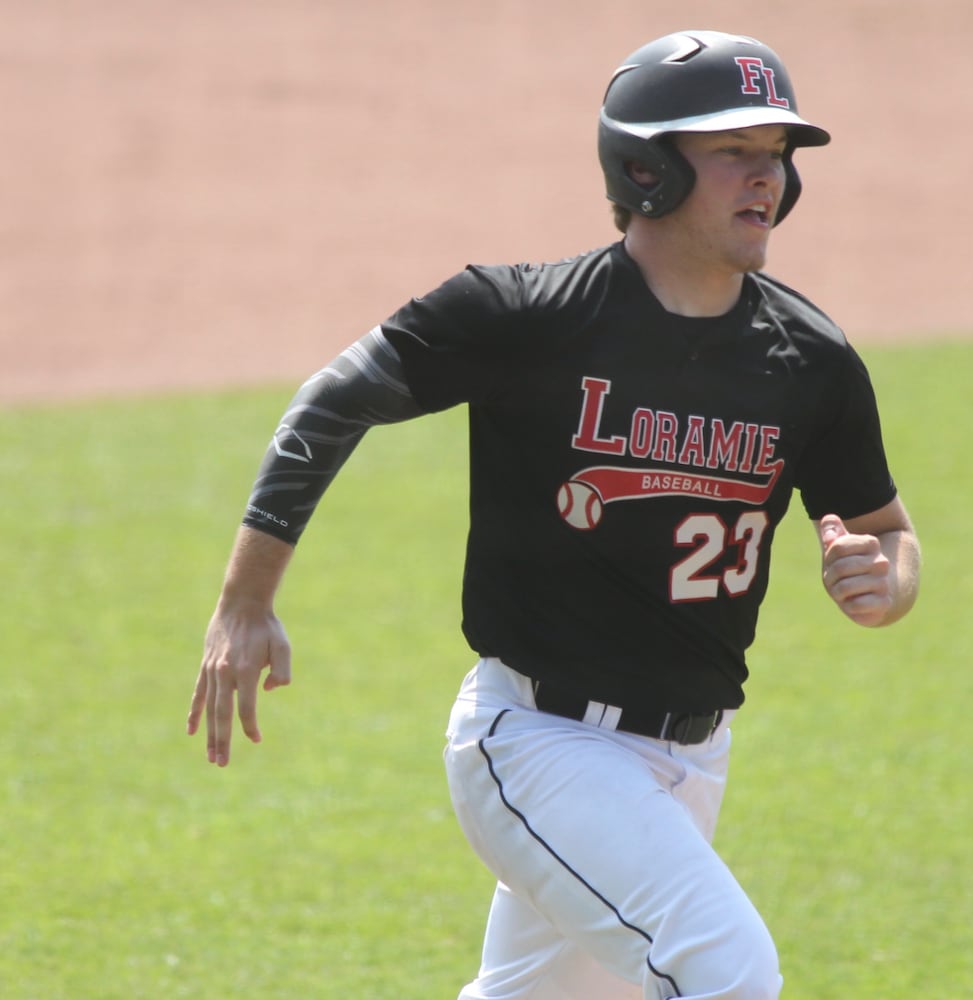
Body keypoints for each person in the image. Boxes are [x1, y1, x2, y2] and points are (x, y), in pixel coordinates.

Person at [187, 28, 921, 1000]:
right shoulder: (529, 318)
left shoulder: (810, 361)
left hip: (691, 759)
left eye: (778, 156)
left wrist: (884, 582)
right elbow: (333, 400)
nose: (766, 179)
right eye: (734, 150)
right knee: (727, 969)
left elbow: (887, 531)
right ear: (647, 168)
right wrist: (246, 599)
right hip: (537, 744)